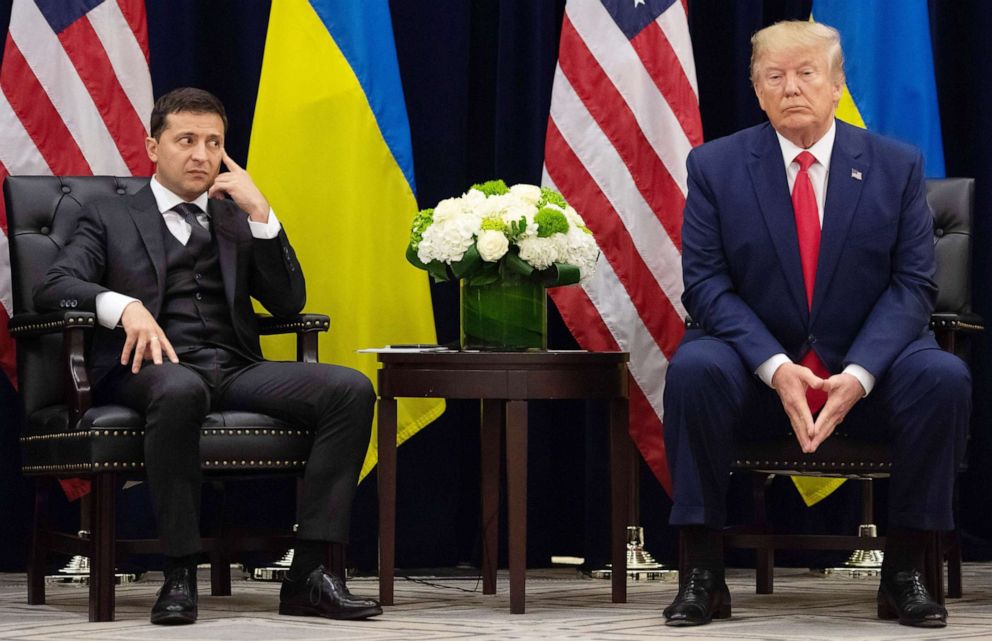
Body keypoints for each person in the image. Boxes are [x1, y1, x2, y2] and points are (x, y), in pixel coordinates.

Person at [662, 21, 969, 628]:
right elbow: (706, 286)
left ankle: (905, 571)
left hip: (866, 373)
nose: (792, 88)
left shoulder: (895, 166)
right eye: (774, 76)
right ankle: (702, 573)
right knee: (693, 369)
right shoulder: (715, 167)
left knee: (943, 376)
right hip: (755, 375)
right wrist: (777, 369)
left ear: (836, 86)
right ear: (756, 90)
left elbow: (913, 286)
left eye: (807, 74)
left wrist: (858, 375)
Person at [35, 87, 381, 625]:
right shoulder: (108, 214)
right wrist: (122, 307)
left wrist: (263, 215)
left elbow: (289, 303)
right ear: (153, 147)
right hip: (145, 371)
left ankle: (309, 573)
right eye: (187, 140)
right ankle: (179, 573)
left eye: (214, 143)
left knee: (350, 389)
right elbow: (53, 285)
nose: (201, 155)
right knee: (180, 387)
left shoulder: (234, 218)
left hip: (236, 365)